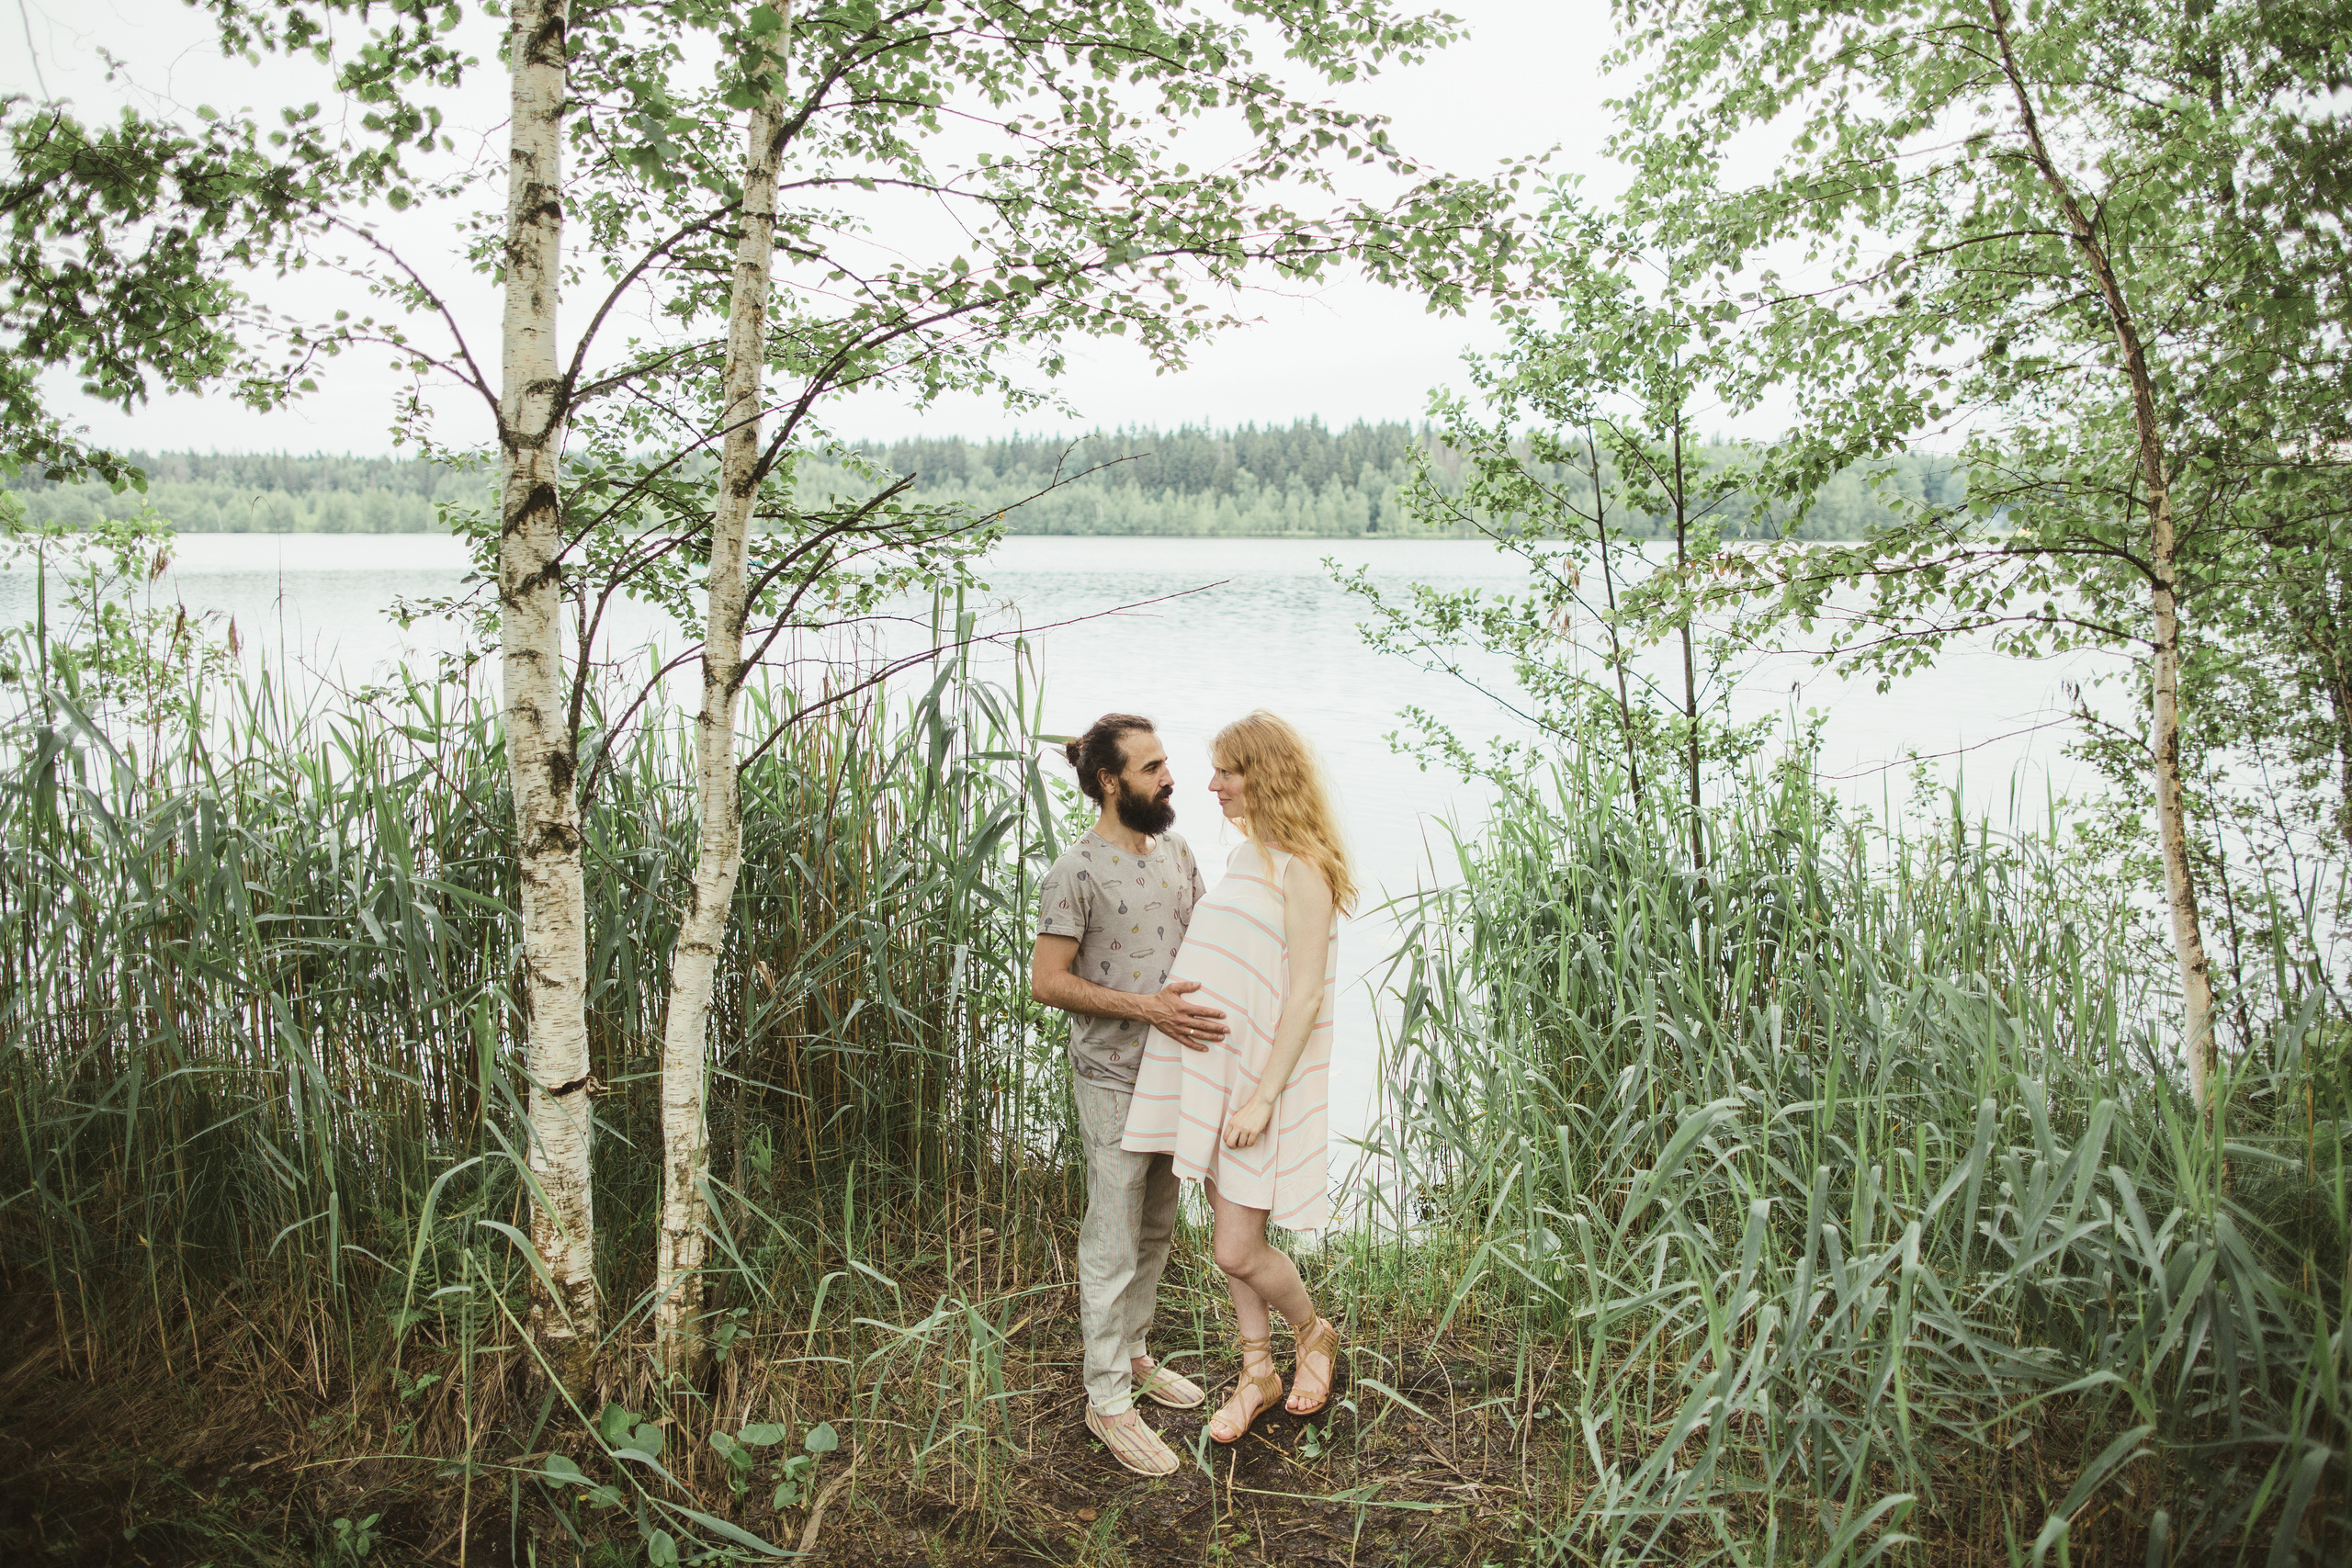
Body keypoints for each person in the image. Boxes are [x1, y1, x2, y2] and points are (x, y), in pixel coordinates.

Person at [1122, 709, 1351, 1446]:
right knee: (1226, 1228)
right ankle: (1258, 1370)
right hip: (1213, 1072)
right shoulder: (1245, 858)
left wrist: (1261, 1094)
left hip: (1259, 1084)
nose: (1212, 784)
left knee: (1236, 1247)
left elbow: (1307, 993)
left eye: (1228, 770)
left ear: (1267, 774)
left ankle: (1313, 1334)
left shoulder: (1305, 868)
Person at [1031, 713, 1233, 1477]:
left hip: (1177, 1071)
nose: (1170, 777)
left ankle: (1137, 1352)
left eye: (1167, 762)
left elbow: (1206, 942)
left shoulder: (1177, 851)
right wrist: (1147, 1008)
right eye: (1152, 768)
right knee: (1112, 1236)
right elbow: (1047, 982)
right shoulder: (1075, 870)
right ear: (1111, 781)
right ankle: (1106, 1396)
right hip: (1114, 1075)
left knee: (1155, 1224)